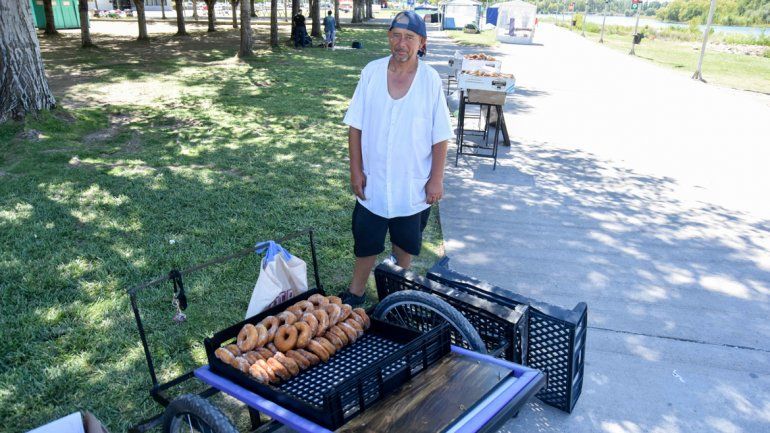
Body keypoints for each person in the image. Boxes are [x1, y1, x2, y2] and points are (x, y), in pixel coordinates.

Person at [340, 11, 453, 306]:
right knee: (366, 240)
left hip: (411, 183)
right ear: (389, 37)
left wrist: (436, 178)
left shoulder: (430, 80)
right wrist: (356, 171)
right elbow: (356, 126)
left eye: (409, 37)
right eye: (396, 36)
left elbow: (440, 135)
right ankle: (356, 292)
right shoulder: (372, 72)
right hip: (373, 180)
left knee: (406, 242)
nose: (401, 43)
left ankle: (397, 293)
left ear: (421, 42)